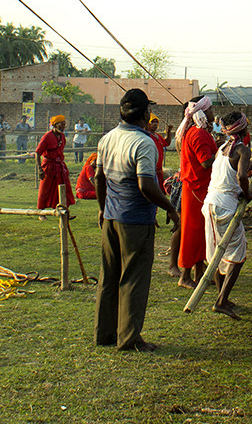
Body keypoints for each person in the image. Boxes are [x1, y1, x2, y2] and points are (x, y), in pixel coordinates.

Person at [93, 89, 180, 352]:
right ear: (145, 114)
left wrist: (102, 208)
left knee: (109, 276)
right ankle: (129, 338)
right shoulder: (144, 143)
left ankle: (105, 333)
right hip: (136, 219)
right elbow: (146, 185)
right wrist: (171, 208)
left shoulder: (107, 138)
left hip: (111, 216)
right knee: (133, 278)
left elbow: (99, 178)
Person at [204, 112, 252, 319]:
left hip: (211, 202)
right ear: (243, 129)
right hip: (225, 206)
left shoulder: (223, 147)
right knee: (236, 256)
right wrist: (248, 194)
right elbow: (241, 175)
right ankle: (221, 300)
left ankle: (221, 297)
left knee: (217, 251)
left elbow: (232, 171)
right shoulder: (242, 149)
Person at [175, 95, 217, 289]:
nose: (213, 112)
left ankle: (199, 273)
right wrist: (223, 152)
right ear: (203, 112)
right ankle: (185, 275)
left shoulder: (197, 132)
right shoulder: (198, 134)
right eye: (210, 109)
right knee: (192, 233)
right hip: (196, 189)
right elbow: (206, 162)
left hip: (199, 188)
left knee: (201, 232)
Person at [36, 115, 75, 215]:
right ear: (55, 125)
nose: (63, 127)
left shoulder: (62, 137)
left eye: (64, 125)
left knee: (64, 188)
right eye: (60, 125)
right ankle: (41, 212)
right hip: (48, 166)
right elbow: (38, 153)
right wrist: (39, 169)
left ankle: (64, 211)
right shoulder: (47, 136)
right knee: (45, 189)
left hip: (59, 166)